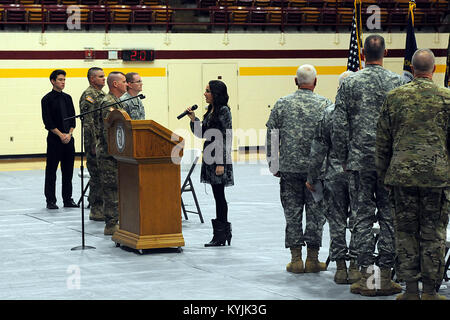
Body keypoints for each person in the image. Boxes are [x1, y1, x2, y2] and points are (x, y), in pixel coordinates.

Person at [332, 34, 406, 296]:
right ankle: (385, 277)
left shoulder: (349, 83)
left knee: (361, 218)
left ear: (362, 55)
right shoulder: (398, 82)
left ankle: (366, 278)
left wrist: (342, 157)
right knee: (389, 218)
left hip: (360, 162)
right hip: (389, 162)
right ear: (385, 53)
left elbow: (339, 126)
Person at [376, 49, 450, 300]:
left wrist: (384, 175)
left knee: (405, 232)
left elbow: (382, 141)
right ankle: (430, 291)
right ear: (435, 69)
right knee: (434, 233)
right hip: (437, 178)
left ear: (412, 68)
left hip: (401, 177)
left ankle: (409, 290)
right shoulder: (446, 98)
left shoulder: (394, 97)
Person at [266, 64, 332, 274]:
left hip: (289, 170)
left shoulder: (282, 104)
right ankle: (313, 259)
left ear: (296, 81)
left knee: (292, 214)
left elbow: (272, 135)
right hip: (318, 173)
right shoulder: (326, 105)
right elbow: (333, 138)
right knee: (316, 215)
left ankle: (296, 260)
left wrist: (273, 164)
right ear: (316, 82)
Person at [306, 70, 360, 284]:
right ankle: (356, 267)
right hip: (357, 174)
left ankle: (340, 269)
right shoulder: (362, 114)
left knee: (336, 222)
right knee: (359, 220)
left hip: (334, 176)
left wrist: (312, 178)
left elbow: (317, 150)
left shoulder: (328, 113)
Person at [186, 80, 234, 247]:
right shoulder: (210, 110)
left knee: (220, 196)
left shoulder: (223, 110)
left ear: (216, 93)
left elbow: (225, 136)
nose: (204, 94)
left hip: (218, 156)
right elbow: (202, 133)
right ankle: (223, 233)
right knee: (217, 195)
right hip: (209, 154)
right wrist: (193, 120)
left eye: (207, 91)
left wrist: (221, 163)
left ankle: (221, 235)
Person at [41, 69, 78, 210]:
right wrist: (60, 135)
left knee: (68, 171)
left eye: (64, 80)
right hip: (55, 139)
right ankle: (50, 200)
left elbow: (73, 119)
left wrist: (69, 134)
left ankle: (67, 199)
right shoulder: (46, 99)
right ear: (53, 81)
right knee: (51, 170)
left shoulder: (68, 98)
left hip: (69, 138)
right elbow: (48, 121)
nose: (63, 82)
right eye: (60, 80)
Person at [96, 71, 127, 235]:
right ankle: (111, 225)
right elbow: (109, 132)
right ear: (115, 84)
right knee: (111, 190)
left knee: (117, 189)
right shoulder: (108, 103)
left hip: (117, 153)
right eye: (124, 81)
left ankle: (117, 221)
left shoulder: (117, 102)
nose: (127, 84)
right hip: (109, 155)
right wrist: (118, 151)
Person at [79, 67, 106, 221]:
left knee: (102, 176)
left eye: (104, 76)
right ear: (92, 79)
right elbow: (88, 123)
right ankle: (96, 209)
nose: (104, 78)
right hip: (94, 144)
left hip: (101, 142)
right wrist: (93, 145)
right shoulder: (89, 96)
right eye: (100, 76)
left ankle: (102, 208)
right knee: (96, 177)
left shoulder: (101, 95)